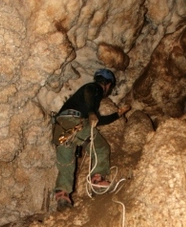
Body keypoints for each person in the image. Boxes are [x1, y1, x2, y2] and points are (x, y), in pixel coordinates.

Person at [52, 68, 130, 210]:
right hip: (75, 123)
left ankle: (62, 195)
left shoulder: (83, 101)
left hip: (60, 128)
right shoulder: (95, 88)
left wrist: (118, 114)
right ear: (107, 84)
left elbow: (97, 121)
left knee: (67, 164)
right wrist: (91, 112)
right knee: (101, 148)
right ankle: (97, 179)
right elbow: (89, 92)